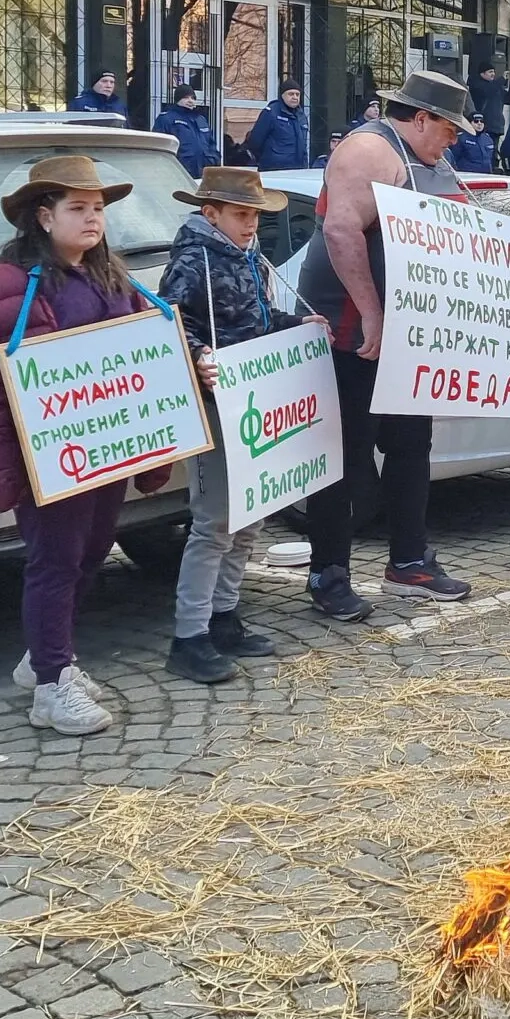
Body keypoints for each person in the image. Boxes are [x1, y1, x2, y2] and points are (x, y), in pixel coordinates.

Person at [0, 157, 169, 733]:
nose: (93, 219)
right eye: (78, 208)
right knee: (54, 561)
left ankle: (47, 653)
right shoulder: (7, 286)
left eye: (98, 209)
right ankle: (51, 686)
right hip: (47, 457)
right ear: (43, 217)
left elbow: (146, 353)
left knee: (93, 551)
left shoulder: (114, 277)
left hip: (107, 451)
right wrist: (1, 466)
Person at [295, 71, 477, 616]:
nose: (453, 142)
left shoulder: (426, 161)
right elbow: (341, 231)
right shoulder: (370, 149)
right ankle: (328, 572)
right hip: (351, 329)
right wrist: (372, 313)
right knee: (345, 455)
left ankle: (408, 560)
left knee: (409, 446)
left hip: (405, 333)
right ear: (420, 118)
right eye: (449, 130)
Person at [160, 167, 312, 684]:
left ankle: (223, 615)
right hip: (216, 401)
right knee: (215, 521)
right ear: (212, 214)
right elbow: (171, 329)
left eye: (254, 215)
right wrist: (199, 356)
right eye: (241, 215)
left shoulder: (249, 257)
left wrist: (298, 325)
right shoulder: (190, 262)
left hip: (254, 394)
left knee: (251, 513)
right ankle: (190, 635)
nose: (251, 225)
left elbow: (260, 320)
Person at [155, 85, 221, 177]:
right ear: (177, 99)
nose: (190, 100)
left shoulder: (201, 119)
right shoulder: (166, 119)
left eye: (193, 98)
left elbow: (211, 144)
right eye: (186, 97)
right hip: (180, 173)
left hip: (204, 173)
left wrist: (214, 160)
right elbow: (159, 147)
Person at [245, 81, 310, 171]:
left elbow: (303, 145)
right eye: (291, 94)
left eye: (297, 94)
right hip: (273, 170)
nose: (295, 97)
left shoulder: (301, 116)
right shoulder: (271, 113)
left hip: (297, 169)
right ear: (282, 95)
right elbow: (255, 141)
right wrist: (268, 160)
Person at [471, 62, 510, 133]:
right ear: (482, 73)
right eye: (490, 72)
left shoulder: (497, 86)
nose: (493, 74)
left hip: (497, 127)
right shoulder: (477, 85)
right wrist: (502, 79)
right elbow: (488, 91)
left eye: (494, 72)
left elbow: (509, 100)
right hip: (483, 125)